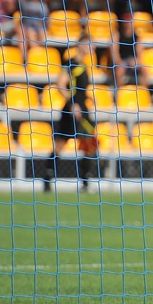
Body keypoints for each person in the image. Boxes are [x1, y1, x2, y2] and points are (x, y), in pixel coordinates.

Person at [46, 40, 98, 192]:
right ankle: (47, 179)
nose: (92, 47)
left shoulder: (84, 66)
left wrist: (87, 97)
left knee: (89, 145)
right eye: (90, 43)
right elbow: (60, 84)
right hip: (72, 111)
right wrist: (72, 103)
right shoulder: (71, 63)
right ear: (81, 45)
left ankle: (85, 183)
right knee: (60, 145)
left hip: (83, 109)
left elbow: (79, 88)